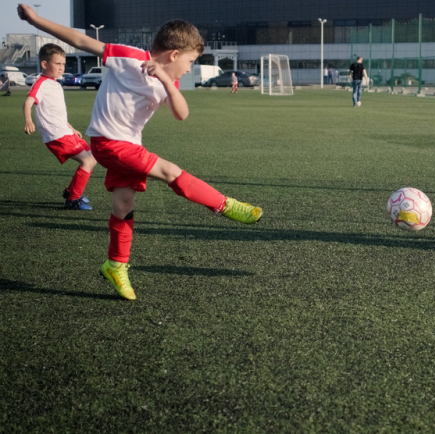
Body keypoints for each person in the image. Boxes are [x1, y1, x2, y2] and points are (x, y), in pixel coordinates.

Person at [18, 4, 264, 300]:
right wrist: (35, 20)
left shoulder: (168, 82)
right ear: (174, 54)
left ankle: (115, 265)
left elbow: (182, 114)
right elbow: (80, 40)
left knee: (123, 204)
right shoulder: (128, 57)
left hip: (128, 146)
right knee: (170, 171)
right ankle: (225, 205)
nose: (188, 68)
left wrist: (165, 80)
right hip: (108, 143)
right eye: (189, 61)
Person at [23, 43, 96, 210]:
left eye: (63, 64)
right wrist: (28, 120)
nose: (62, 67)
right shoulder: (40, 84)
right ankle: (72, 199)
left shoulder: (55, 83)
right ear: (44, 64)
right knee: (88, 161)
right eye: (57, 64)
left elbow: (56, 113)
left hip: (65, 131)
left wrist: (71, 127)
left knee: (92, 156)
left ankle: (70, 191)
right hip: (56, 135)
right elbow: (28, 102)